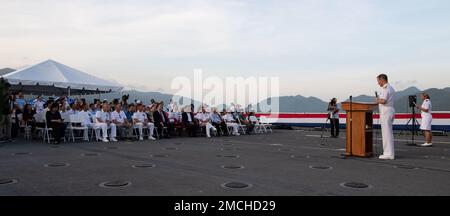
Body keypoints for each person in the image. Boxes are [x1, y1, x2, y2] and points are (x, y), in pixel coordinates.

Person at [376, 74, 396, 160]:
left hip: (386, 111)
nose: (378, 83)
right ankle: (389, 152)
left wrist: (377, 100)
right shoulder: (390, 88)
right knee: (388, 133)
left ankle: (388, 153)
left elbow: (383, 101)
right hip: (390, 110)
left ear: (382, 80)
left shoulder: (385, 88)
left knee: (386, 133)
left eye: (378, 81)